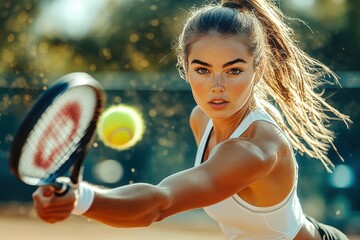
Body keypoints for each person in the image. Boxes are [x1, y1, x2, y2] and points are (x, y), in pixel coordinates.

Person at [33, 0, 352, 239]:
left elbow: (158, 203)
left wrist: (80, 198)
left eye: (234, 70)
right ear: (184, 68)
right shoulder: (201, 118)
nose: (217, 86)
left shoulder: (254, 149)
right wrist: (77, 195)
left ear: (259, 71)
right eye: (202, 69)